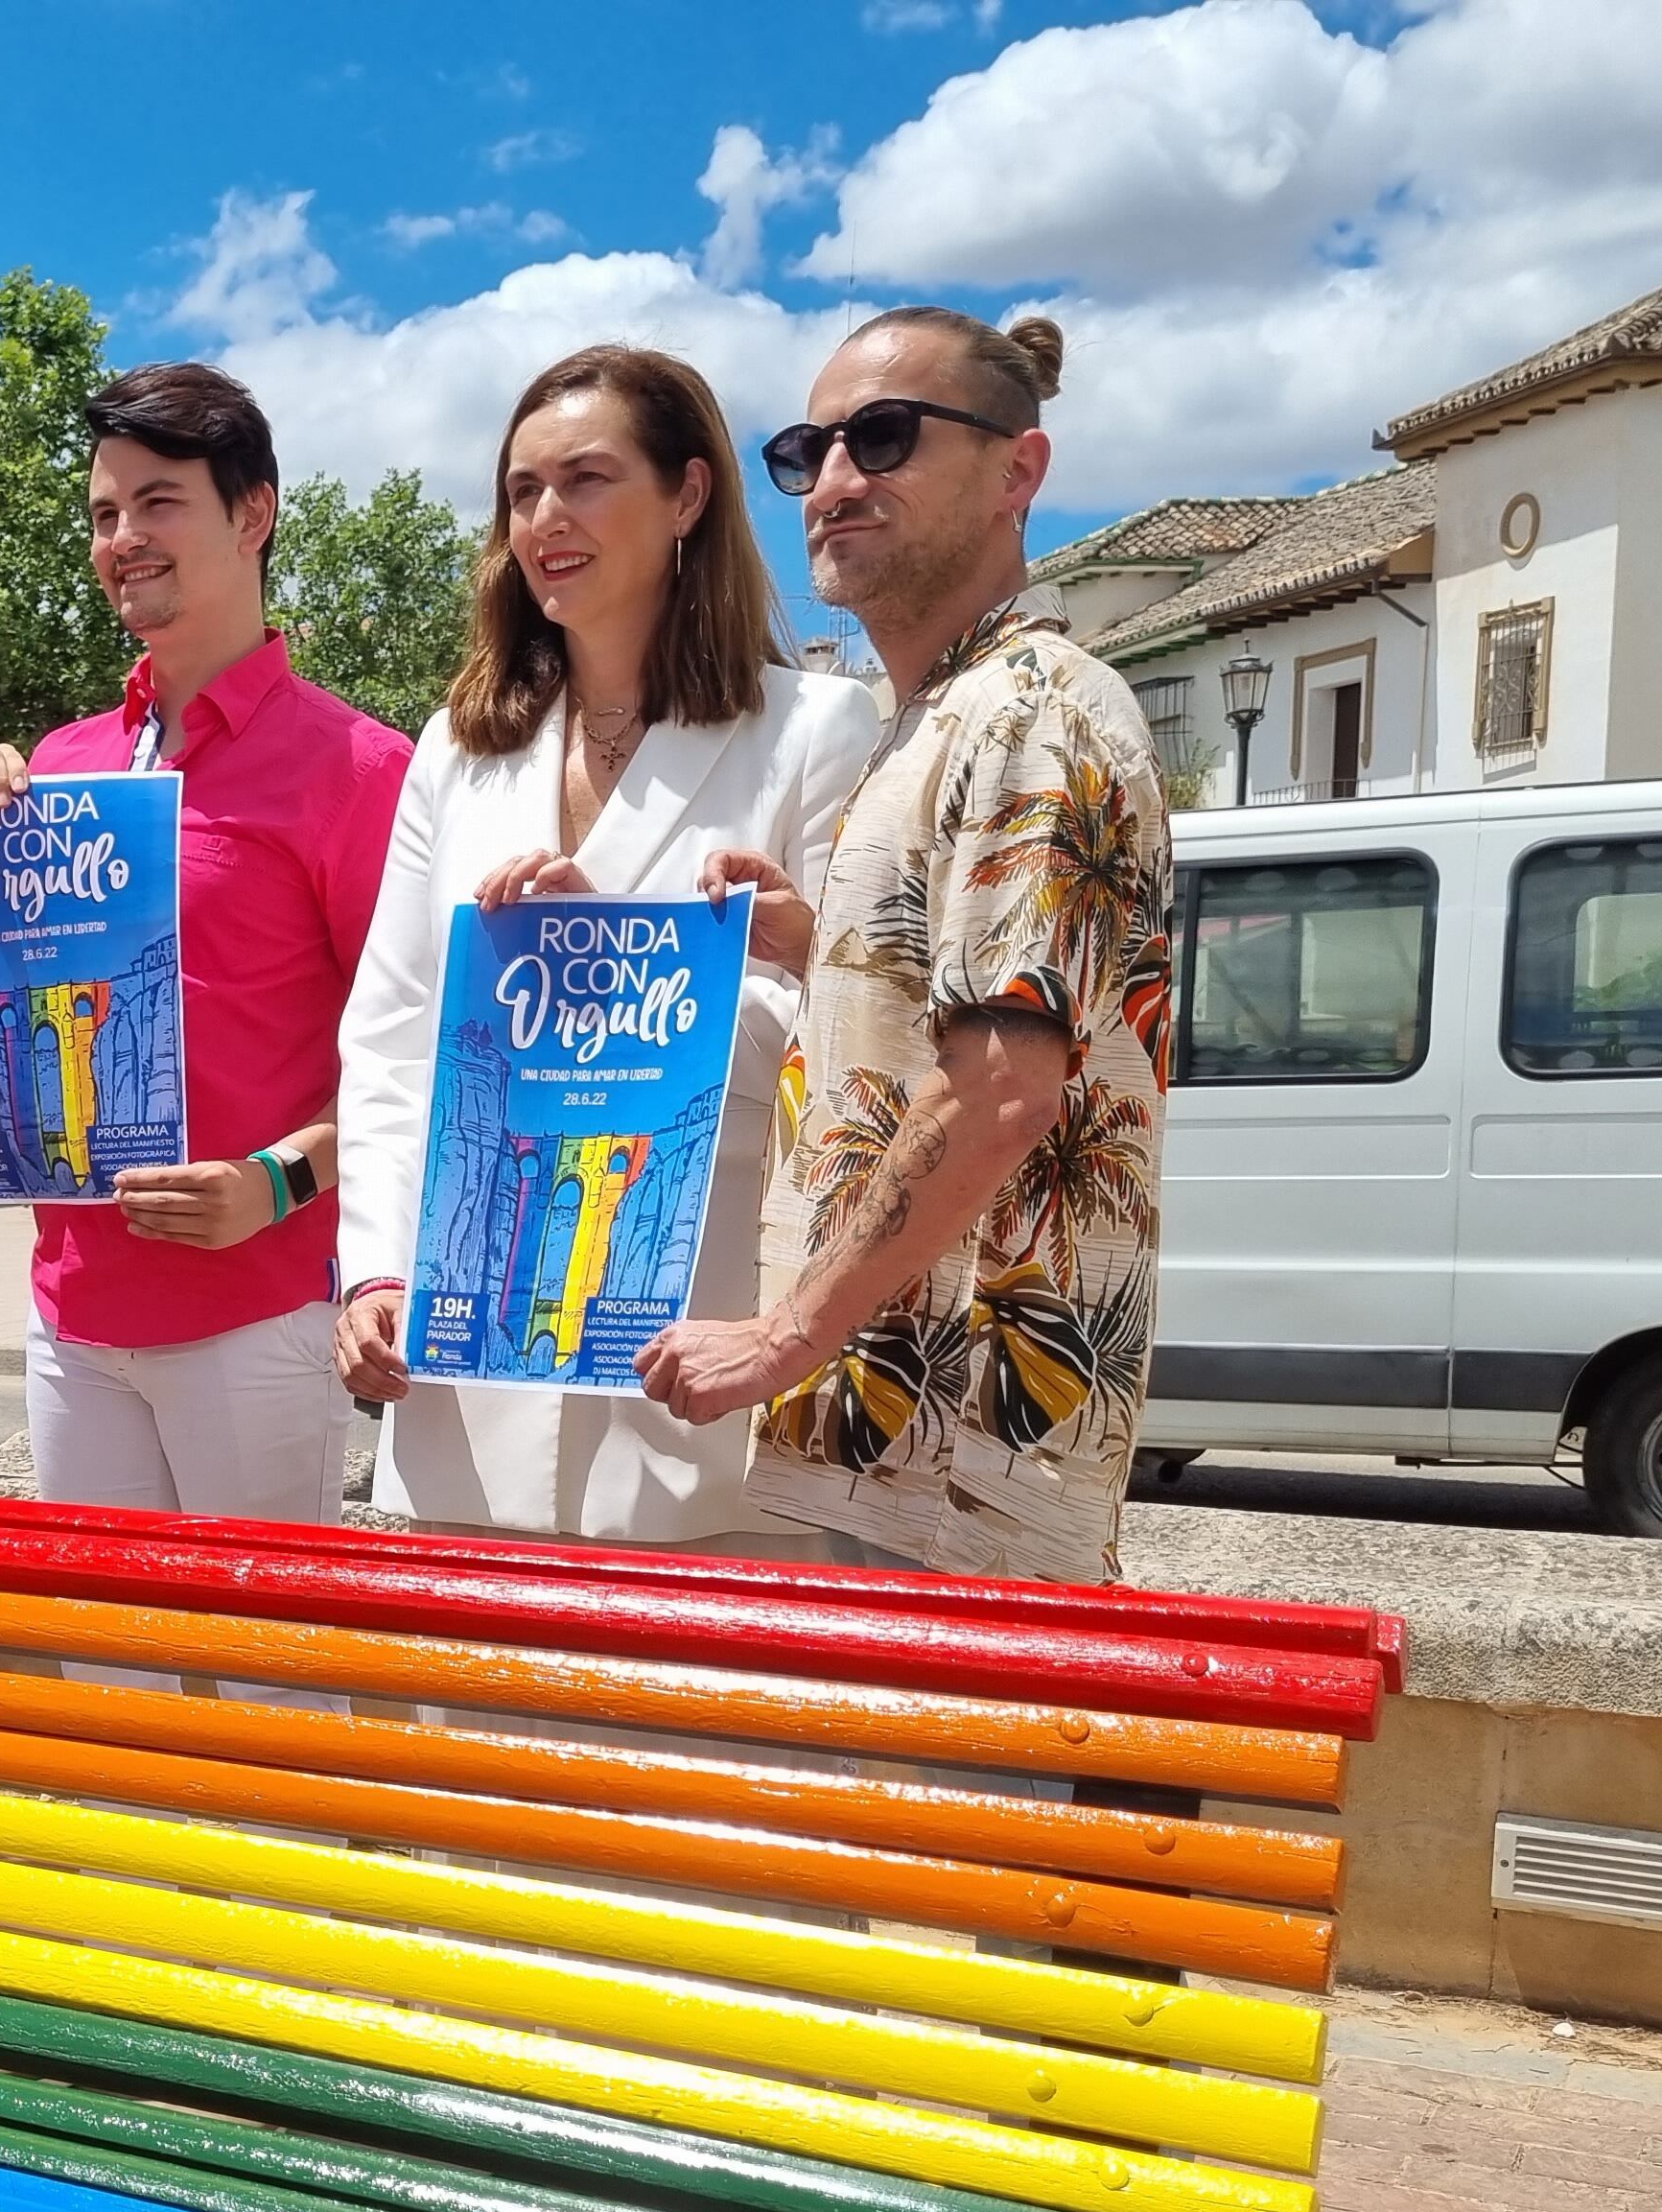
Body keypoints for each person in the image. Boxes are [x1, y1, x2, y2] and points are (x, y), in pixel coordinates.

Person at [651, 309, 1174, 1586]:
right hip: (903, 1444)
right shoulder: (940, 718)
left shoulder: (1032, 713)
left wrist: (784, 1334)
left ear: (1019, 471)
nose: (834, 481)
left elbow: (999, 1087)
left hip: (965, 1462)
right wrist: (823, 941)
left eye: (883, 438)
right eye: (808, 449)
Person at [332, 345, 872, 1545]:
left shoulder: (818, 732)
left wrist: (619, 973)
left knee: (684, 1730)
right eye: (523, 491)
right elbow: (391, 1034)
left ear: (688, 497)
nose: (546, 519)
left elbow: (853, 1041)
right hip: (469, 1358)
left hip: (692, 1353)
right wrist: (374, 1273)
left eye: (585, 479)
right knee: (456, 1726)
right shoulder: (457, 752)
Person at [0, 364, 411, 1524]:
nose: (123, 538)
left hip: (255, 1314)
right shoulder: (59, 764)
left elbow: (424, 1059)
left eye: (158, 503)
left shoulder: (361, 769)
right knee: (109, 1678)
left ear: (254, 513)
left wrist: (278, 1181)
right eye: (104, 513)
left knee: (263, 1681)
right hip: (69, 1310)